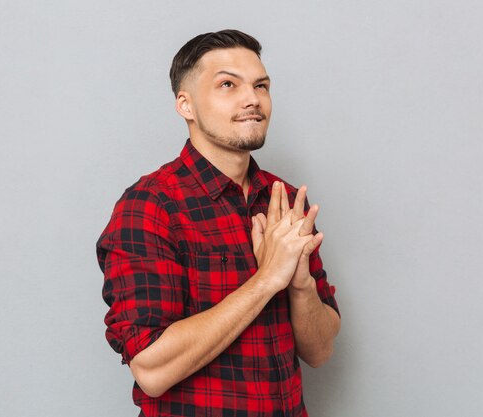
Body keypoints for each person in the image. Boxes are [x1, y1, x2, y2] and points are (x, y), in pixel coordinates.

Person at [97, 29, 341, 417]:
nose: (252, 99)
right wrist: (266, 280)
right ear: (186, 105)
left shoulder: (284, 199)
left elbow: (321, 351)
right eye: (228, 84)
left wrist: (299, 285)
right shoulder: (149, 206)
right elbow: (151, 369)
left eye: (261, 86)